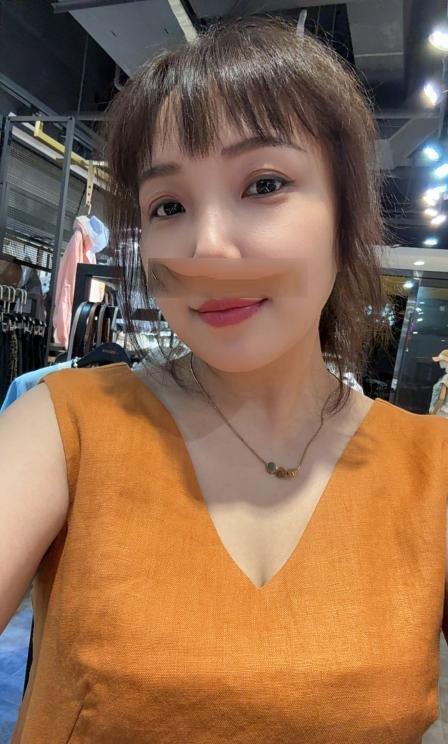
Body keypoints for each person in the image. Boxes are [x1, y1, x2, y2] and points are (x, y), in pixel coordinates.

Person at [2, 14, 448, 743]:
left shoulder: (432, 470)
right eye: (169, 206)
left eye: (264, 184)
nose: (207, 246)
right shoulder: (62, 425)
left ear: (346, 216)